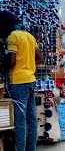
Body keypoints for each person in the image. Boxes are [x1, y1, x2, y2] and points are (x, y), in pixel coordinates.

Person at [0, 11, 44, 151]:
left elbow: (12, 61)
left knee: (20, 121)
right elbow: (40, 59)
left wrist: (5, 68)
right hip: (31, 80)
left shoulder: (13, 36)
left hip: (18, 83)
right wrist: (28, 66)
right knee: (31, 119)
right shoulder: (29, 36)